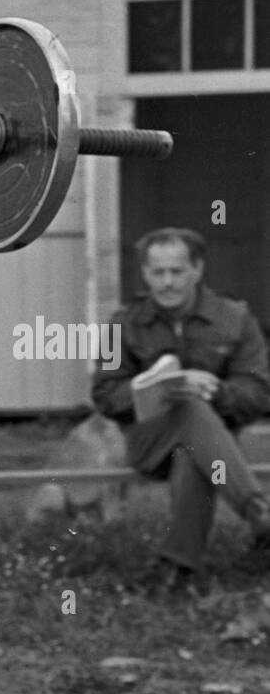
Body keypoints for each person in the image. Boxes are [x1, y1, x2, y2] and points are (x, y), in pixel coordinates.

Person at [92, 227, 270, 590]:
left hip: (216, 450)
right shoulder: (123, 323)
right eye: (158, 272)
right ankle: (260, 514)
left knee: (192, 450)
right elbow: (104, 394)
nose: (167, 282)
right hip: (147, 444)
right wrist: (154, 389)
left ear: (197, 270)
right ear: (144, 273)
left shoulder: (235, 318)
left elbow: (259, 394)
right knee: (186, 406)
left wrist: (219, 392)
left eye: (176, 271)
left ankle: (177, 570)